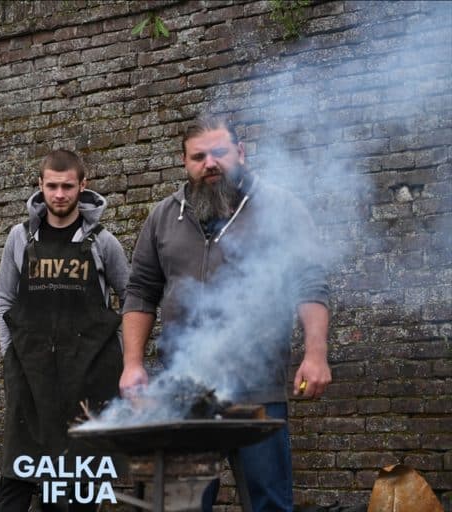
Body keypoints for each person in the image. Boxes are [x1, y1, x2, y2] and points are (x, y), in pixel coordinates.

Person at [119, 116, 332, 512]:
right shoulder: (164, 216)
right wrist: (133, 364)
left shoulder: (280, 208)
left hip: (257, 389)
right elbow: (141, 292)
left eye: (219, 152)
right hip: (184, 390)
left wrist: (315, 354)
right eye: (198, 156)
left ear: (241, 153)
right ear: (185, 163)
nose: (210, 163)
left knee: (268, 503)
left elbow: (310, 282)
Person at [0, 149, 130, 512]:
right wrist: (11, 353)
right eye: (52, 186)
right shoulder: (19, 238)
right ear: (40, 186)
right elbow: (4, 299)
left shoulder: (103, 241)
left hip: (88, 379)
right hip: (31, 375)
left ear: (82, 186)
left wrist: (118, 355)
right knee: (18, 478)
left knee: (82, 486)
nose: (59, 195)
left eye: (67, 186)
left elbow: (132, 296)